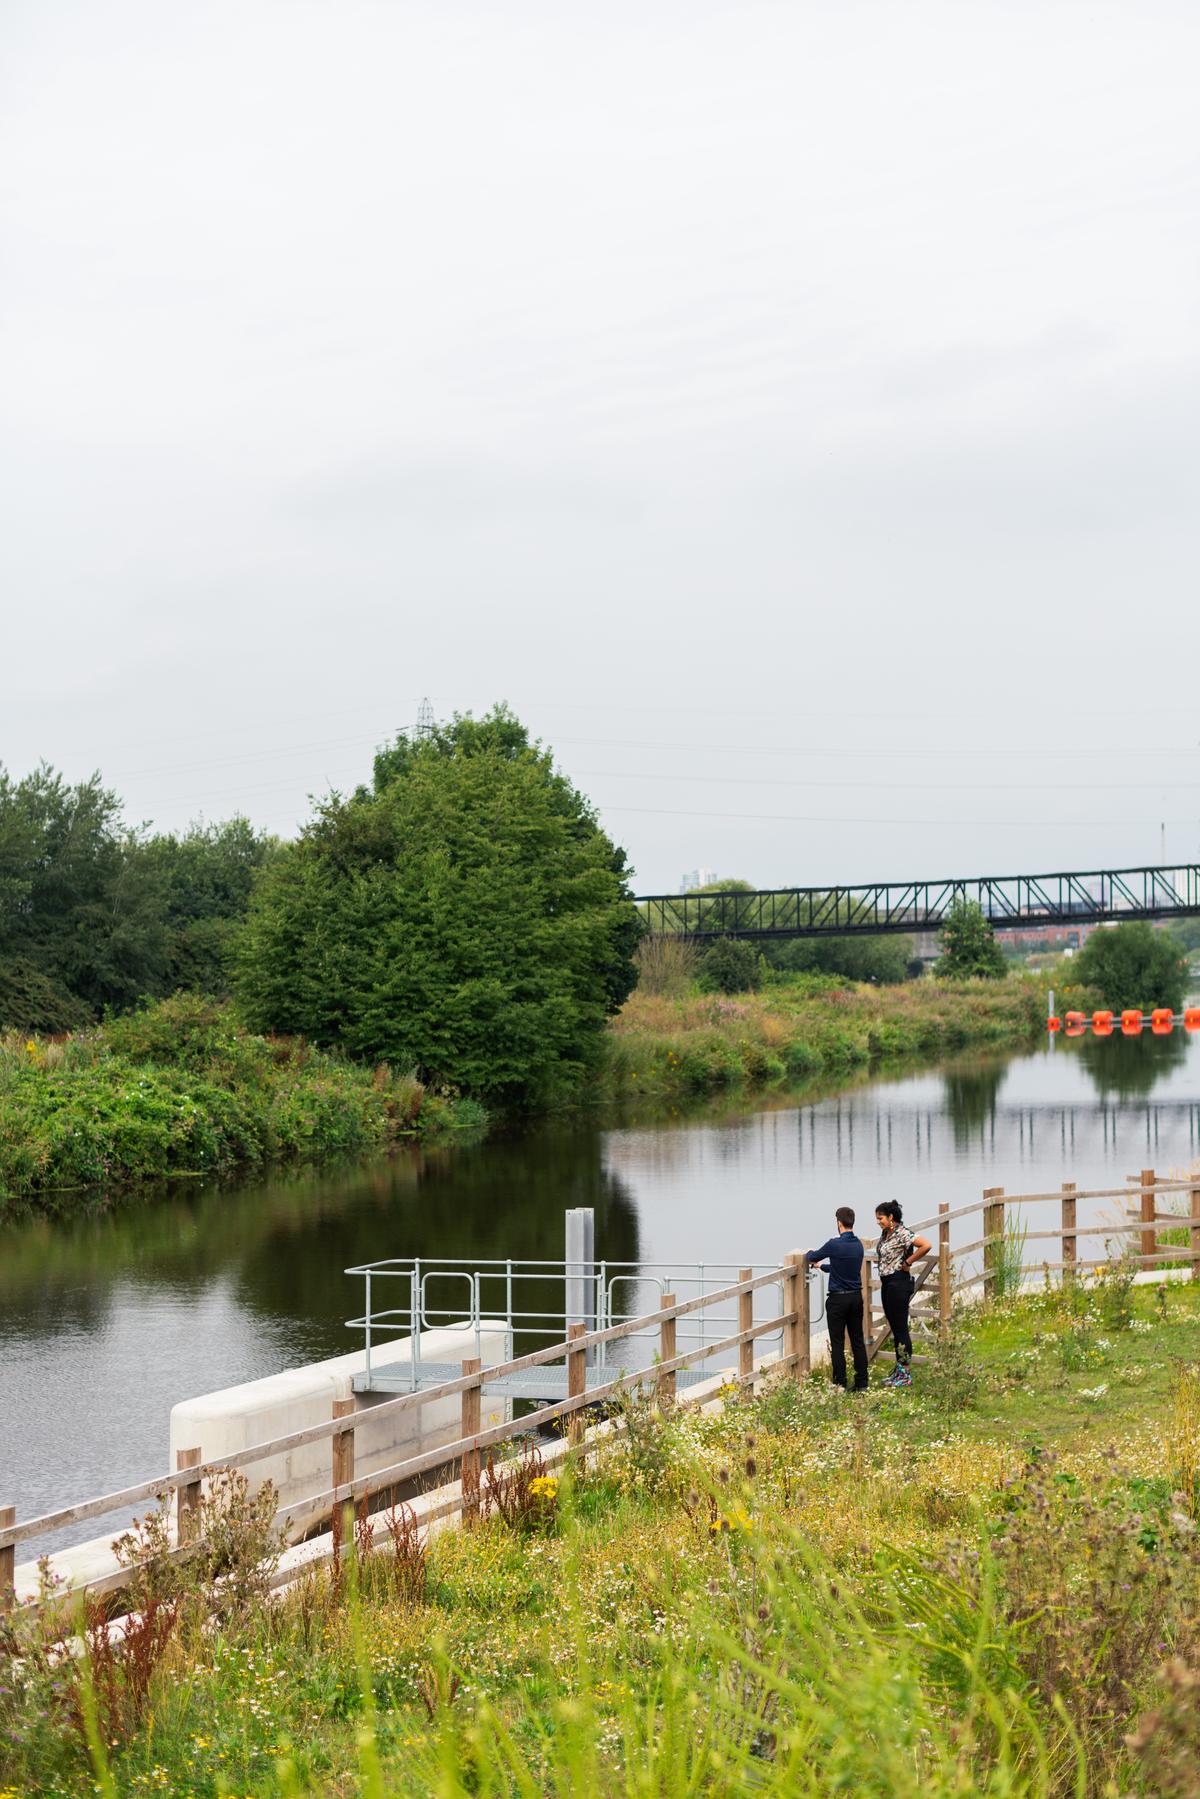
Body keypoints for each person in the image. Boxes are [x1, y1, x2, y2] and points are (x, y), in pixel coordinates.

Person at [805, 1206, 869, 1391]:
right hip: (856, 1297)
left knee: (838, 1342)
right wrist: (822, 1267)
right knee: (857, 1339)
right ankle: (862, 1383)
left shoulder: (834, 1244)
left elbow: (812, 1255)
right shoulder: (858, 1245)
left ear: (838, 1222)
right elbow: (841, 1268)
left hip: (838, 1301)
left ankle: (840, 1382)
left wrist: (810, 1253)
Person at [873, 1200, 931, 1388]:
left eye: (880, 1218)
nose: (878, 1221)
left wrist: (908, 1262)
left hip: (899, 1283)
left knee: (901, 1329)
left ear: (891, 1217)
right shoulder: (886, 1233)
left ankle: (905, 1374)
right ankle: (899, 1371)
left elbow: (926, 1245)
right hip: (888, 1283)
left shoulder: (903, 1233)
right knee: (895, 1327)